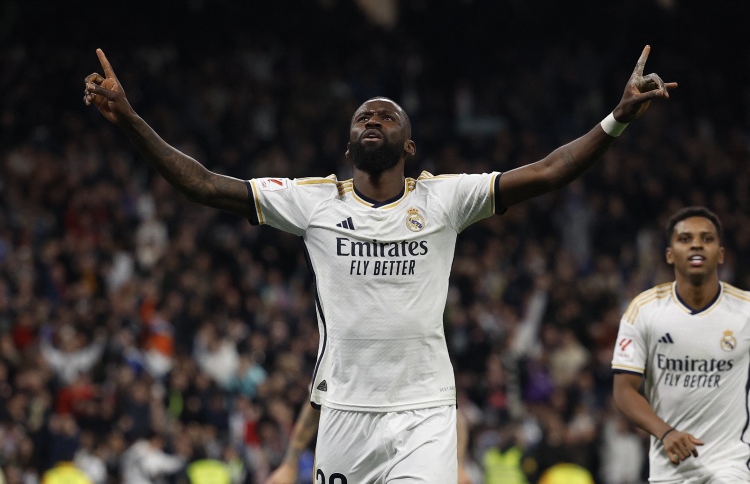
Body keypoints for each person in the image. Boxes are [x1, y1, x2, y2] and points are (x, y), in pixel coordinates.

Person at [84, 45, 675, 483]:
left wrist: (617, 117)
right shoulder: (313, 202)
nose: (372, 120)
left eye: (386, 117)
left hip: (424, 411)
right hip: (344, 413)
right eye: (363, 118)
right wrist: (132, 121)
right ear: (349, 146)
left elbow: (549, 171)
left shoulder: (444, 199)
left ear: (408, 146)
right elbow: (205, 184)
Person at [612, 206, 750, 482]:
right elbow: (624, 390)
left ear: (721, 254)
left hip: (732, 465)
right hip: (669, 469)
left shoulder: (745, 310)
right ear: (669, 254)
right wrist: (665, 433)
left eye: (707, 238)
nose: (696, 244)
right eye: (685, 239)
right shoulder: (644, 310)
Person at [265, 403, 474, 484]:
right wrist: (290, 464)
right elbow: (315, 402)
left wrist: (458, 464)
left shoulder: (412, 343)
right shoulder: (341, 346)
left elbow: (447, 409)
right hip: (349, 456)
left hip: (405, 453)